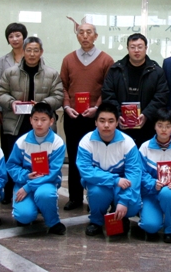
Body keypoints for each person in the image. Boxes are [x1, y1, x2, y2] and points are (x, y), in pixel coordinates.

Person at [0, 36, 64, 203]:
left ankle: (39, 192)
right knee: (14, 160)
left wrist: (42, 104)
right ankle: (11, 193)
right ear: (23, 51)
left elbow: (58, 96)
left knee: (41, 161)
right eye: (29, 50)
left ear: (41, 52)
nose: (32, 54)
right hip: (15, 123)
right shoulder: (10, 72)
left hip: (41, 124)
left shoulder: (51, 74)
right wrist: (12, 103)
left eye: (36, 50)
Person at [60, 22, 114, 211]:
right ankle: (75, 197)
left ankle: (95, 198)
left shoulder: (106, 60)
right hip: (73, 116)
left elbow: (108, 88)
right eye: (81, 32)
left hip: (95, 119)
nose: (85, 36)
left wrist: (97, 108)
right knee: (75, 156)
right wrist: (67, 106)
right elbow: (63, 86)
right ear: (77, 36)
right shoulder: (68, 59)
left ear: (95, 36)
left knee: (96, 158)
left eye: (89, 32)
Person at [77, 102, 142, 236]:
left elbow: (134, 174)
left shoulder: (128, 143)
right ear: (95, 122)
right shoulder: (86, 141)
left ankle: (121, 217)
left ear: (117, 122)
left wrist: (124, 201)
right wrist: (114, 180)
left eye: (111, 121)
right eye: (102, 121)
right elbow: (86, 171)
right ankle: (96, 221)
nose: (106, 125)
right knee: (96, 193)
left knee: (132, 205)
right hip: (101, 184)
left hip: (123, 186)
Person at [6, 102, 67, 234]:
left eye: (43, 120)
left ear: (51, 121)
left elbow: (53, 173)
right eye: (36, 119)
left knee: (45, 195)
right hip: (24, 181)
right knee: (24, 216)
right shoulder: (22, 141)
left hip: (46, 182)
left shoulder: (57, 143)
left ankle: (53, 222)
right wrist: (25, 176)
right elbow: (11, 165)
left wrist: (28, 187)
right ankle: (31, 208)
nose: (39, 123)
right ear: (30, 120)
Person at [102, 32, 169, 146]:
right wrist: (118, 114)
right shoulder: (116, 70)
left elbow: (161, 96)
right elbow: (107, 93)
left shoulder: (157, 71)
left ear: (146, 48)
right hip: (121, 125)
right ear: (127, 48)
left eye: (140, 47)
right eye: (133, 47)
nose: (136, 50)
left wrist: (146, 114)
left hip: (147, 125)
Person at [138, 108, 171, 243]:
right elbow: (140, 173)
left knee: (169, 193)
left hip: (170, 192)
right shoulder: (145, 148)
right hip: (150, 193)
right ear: (154, 126)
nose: (163, 130)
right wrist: (152, 184)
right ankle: (153, 218)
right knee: (150, 226)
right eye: (160, 125)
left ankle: (170, 229)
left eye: (168, 126)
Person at [0, 23, 29, 138]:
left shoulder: (33, 58)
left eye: (18, 35)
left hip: (29, 108)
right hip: (9, 110)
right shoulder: (2, 61)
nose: (14, 39)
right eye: (11, 36)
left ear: (24, 37)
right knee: (9, 142)